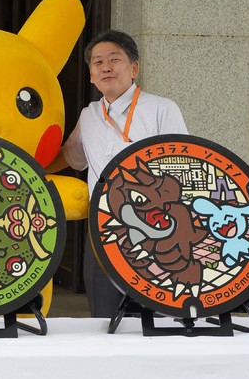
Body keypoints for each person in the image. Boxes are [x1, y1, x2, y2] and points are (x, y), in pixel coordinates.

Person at [49, 29, 188, 318]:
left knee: (155, 308)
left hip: (155, 223)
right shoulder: (89, 114)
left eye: (115, 60)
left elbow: (181, 165)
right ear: (90, 74)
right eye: (98, 62)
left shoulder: (162, 108)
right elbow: (70, 157)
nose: (106, 67)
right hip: (103, 222)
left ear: (134, 68)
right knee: (104, 307)